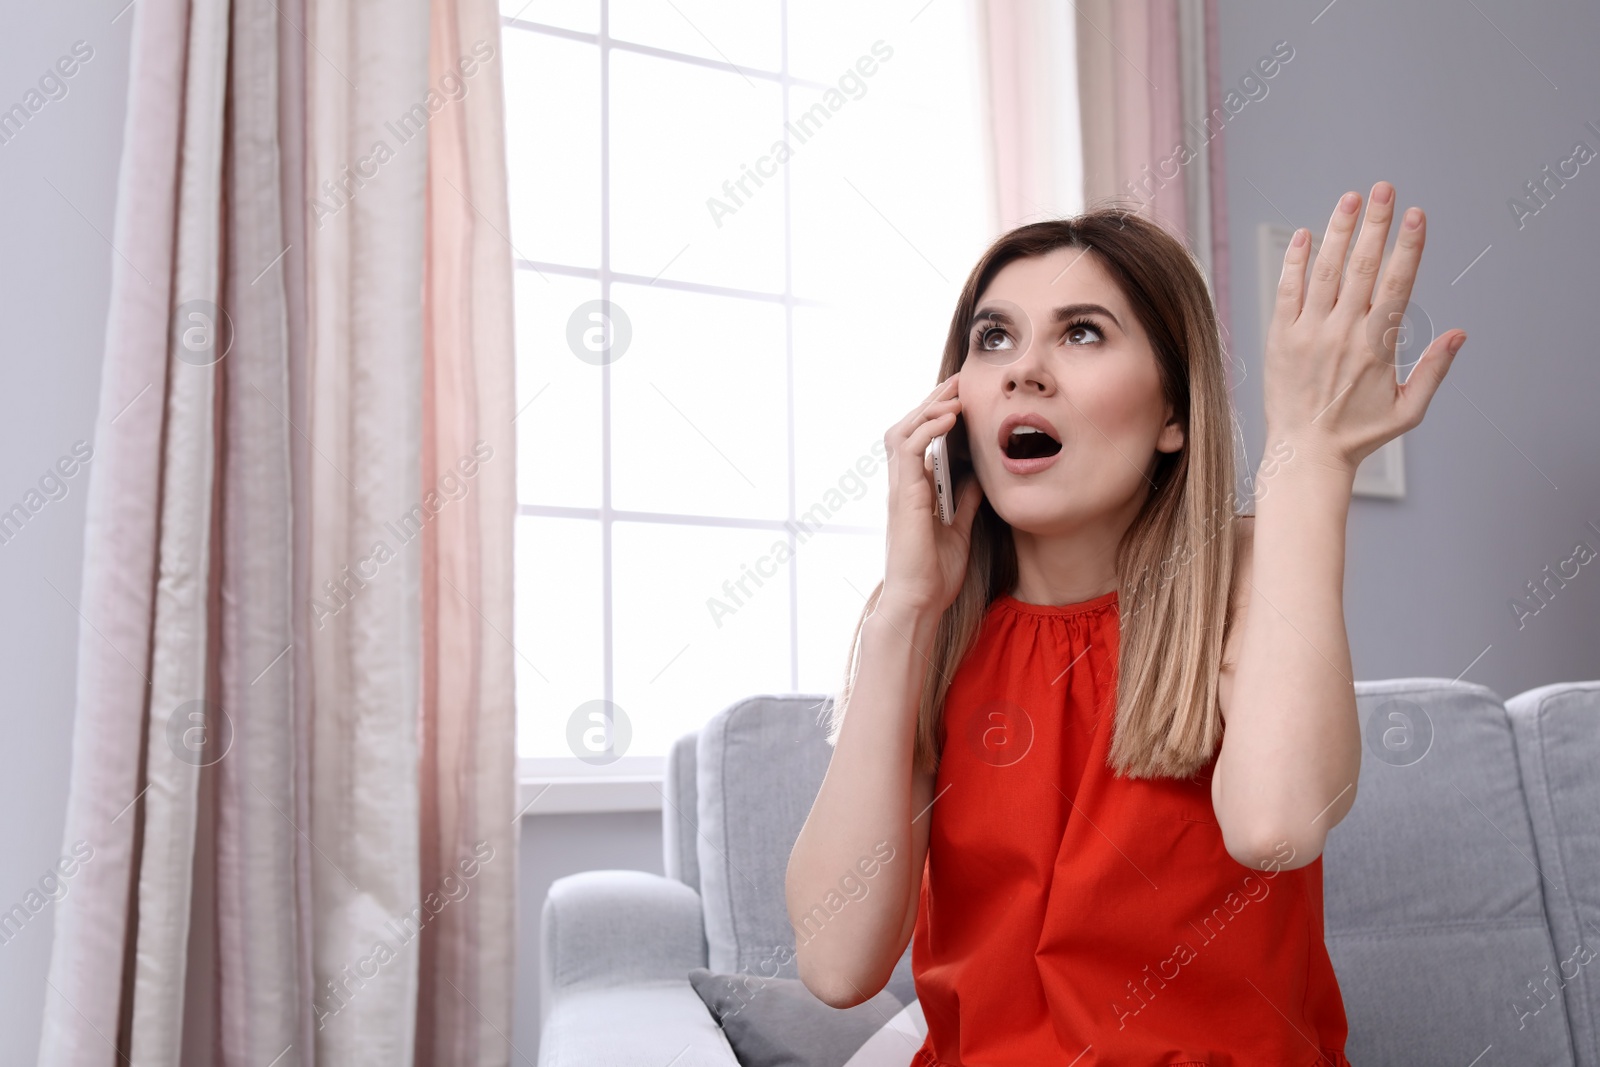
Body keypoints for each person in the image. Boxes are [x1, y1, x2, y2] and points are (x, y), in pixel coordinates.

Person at [784, 182, 1466, 1064]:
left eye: (1081, 332)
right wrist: (904, 610)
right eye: (995, 337)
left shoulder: (1242, 578)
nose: (1025, 368)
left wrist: (1314, 454)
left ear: (1174, 415)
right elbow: (837, 964)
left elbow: (1279, 824)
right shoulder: (931, 628)